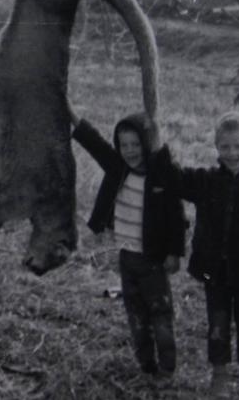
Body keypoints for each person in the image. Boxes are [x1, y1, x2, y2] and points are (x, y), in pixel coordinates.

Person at [67, 101, 186, 378]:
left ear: (147, 144)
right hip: (127, 259)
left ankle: (167, 367)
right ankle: (146, 364)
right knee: (136, 315)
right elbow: (93, 142)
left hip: (154, 261)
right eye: (124, 145)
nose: (130, 151)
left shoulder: (161, 176)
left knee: (161, 316)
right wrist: (71, 114)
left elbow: (176, 217)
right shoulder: (118, 168)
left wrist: (174, 253)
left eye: (135, 144)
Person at [175, 111, 239, 400]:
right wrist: (159, 153)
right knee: (218, 325)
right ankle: (219, 378)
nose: (232, 153)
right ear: (217, 149)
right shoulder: (208, 181)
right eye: (225, 147)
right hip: (215, 273)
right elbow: (177, 178)